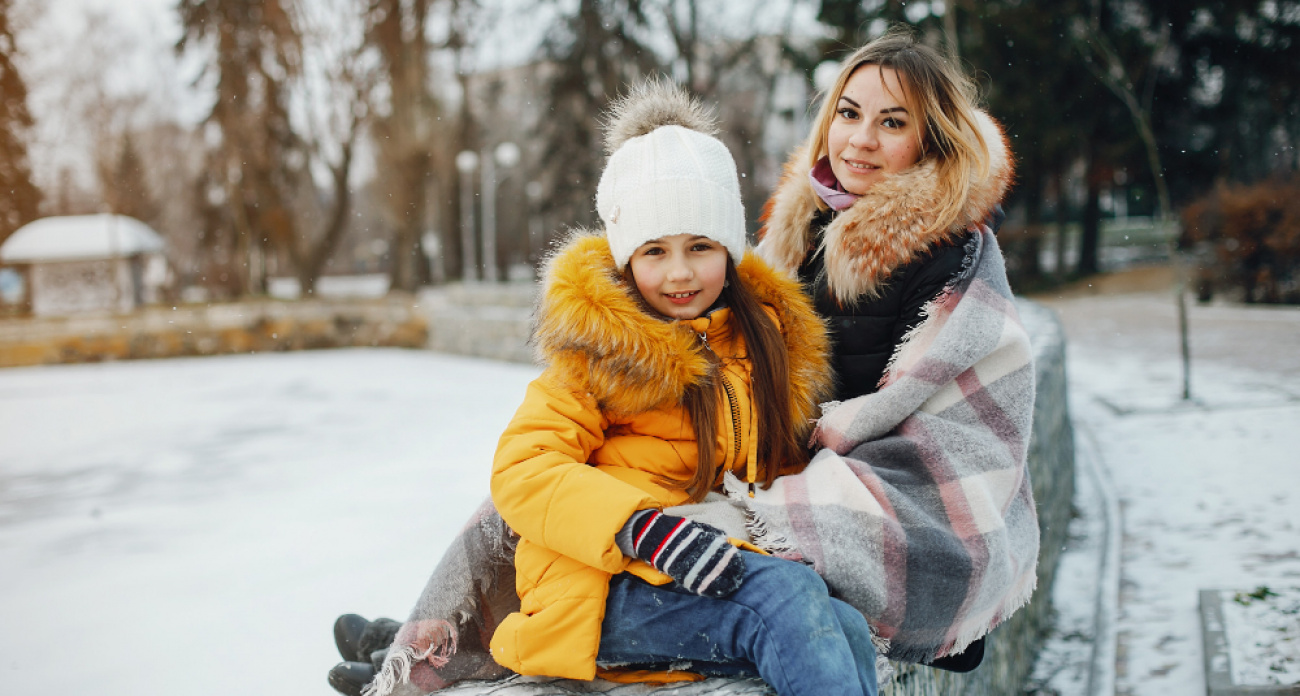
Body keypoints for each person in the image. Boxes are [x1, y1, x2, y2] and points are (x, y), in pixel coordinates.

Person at [335, 26, 1039, 696]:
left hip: (769, 527)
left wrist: (924, 562)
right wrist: (646, 527)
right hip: (621, 575)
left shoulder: (778, 321)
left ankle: (439, 645)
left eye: (892, 121)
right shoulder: (623, 337)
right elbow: (526, 470)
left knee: (837, 624)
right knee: (777, 596)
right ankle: (432, 643)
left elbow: (826, 439)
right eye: (849, 112)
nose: (679, 273)